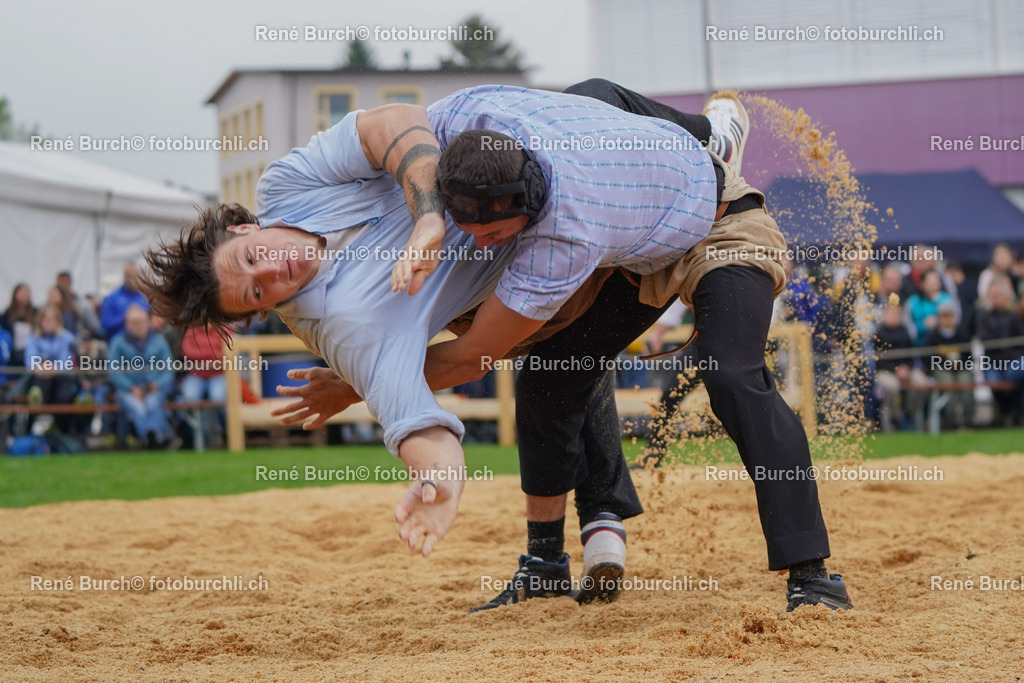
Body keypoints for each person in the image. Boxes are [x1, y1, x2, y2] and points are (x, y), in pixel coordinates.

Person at [140, 82, 851, 612]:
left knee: (726, 371)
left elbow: (392, 123)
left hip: (717, 221)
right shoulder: (370, 306)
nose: (272, 274)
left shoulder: (477, 143)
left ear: (244, 229)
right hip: (614, 256)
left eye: (252, 260)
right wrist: (437, 476)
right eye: (256, 295)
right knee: (551, 367)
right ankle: (554, 557)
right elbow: (459, 369)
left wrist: (427, 221)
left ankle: (810, 572)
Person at [107, 303, 179, 449]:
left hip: (155, 388)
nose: (138, 326)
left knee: (152, 403)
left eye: (141, 322)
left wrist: (157, 385)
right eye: (134, 322)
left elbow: (169, 369)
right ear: (127, 324)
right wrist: (131, 388)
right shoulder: (118, 342)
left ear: (148, 322)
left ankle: (150, 438)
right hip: (128, 390)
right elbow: (113, 371)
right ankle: (160, 436)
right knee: (138, 407)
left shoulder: (159, 341)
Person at [23, 304, 79, 433]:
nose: (48, 322)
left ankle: (61, 433)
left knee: (64, 395)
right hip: (41, 377)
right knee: (38, 387)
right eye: (46, 318)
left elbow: (67, 361)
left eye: (52, 318)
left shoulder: (67, 338)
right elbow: (30, 360)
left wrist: (53, 368)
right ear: (40, 320)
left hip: (61, 378)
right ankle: (30, 431)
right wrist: (40, 367)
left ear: (58, 321)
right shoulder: (34, 338)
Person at [975, 277, 1024, 425]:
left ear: (1006, 297)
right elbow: (986, 340)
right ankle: (1006, 413)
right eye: (992, 296)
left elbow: (1019, 343)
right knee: (996, 384)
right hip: (993, 363)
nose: (995, 299)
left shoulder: (1014, 317)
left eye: (998, 295)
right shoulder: (983, 316)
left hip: (1013, 362)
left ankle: (1015, 413)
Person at [872, 303, 923, 432]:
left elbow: (910, 355)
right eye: (892, 313)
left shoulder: (904, 331)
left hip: (905, 370)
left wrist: (906, 368)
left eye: (897, 314)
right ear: (885, 315)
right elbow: (879, 361)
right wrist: (896, 370)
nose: (895, 317)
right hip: (885, 371)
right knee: (892, 386)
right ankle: (897, 417)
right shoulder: (879, 334)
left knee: (921, 382)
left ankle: (910, 413)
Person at [924, 301, 974, 429]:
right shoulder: (933, 337)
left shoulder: (963, 334)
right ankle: (950, 422)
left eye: (949, 316)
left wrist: (959, 363)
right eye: (944, 316)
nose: (947, 320)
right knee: (948, 386)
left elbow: (969, 357)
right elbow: (928, 359)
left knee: (966, 384)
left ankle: (967, 422)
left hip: (962, 368)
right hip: (941, 369)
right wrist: (946, 363)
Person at [100, 264, 149, 339]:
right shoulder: (112, 298)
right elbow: (105, 325)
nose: (131, 278)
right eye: (128, 274)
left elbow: (152, 319)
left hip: (144, 341)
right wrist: (125, 317)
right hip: (119, 340)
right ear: (124, 275)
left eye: (134, 275)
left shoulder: (144, 297)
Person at [905, 270, 955, 344]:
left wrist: (939, 322)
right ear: (922, 284)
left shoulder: (947, 300)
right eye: (930, 282)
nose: (933, 284)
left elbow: (954, 324)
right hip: (919, 344)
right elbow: (907, 325)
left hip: (942, 343)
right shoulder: (913, 302)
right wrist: (923, 326)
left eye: (935, 281)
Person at [1, 283, 37, 368]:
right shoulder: (7, 314)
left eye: (26, 293)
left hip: (30, 353)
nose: (24, 295)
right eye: (21, 293)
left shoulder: (35, 313)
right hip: (13, 355)